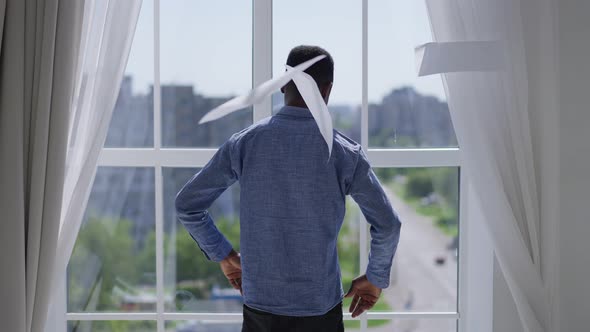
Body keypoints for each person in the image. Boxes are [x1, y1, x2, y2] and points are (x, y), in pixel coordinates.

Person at [175, 45, 402, 332]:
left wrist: (225, 255)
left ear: (283, 84)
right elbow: (389, 225)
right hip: (320, 310)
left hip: (261, 307)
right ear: (327, 90)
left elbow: (188, 205)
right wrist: (375, 277)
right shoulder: (346, 154)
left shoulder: (244, 143)